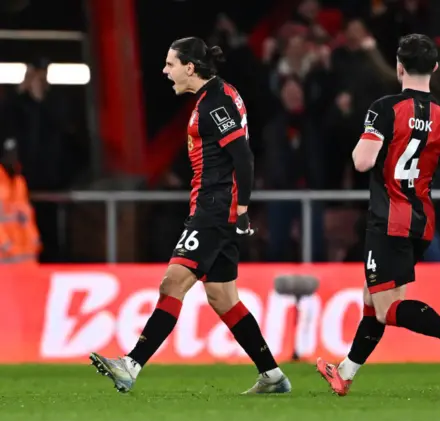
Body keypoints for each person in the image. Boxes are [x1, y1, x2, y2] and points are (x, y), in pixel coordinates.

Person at [89, 37, 291, 395]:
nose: (165, 71)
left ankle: (131, 364)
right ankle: (272, 376)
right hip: (216, 206)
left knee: (173, 282)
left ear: (190, 68)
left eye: (170, 64)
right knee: (222, 297)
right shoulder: (220, 94)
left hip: (214, 208)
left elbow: (243, 157)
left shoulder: (214, 103)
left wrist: (241, 210)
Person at [316, 34, 440, 397]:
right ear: (436, 68)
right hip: (422, 222)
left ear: (398, 66)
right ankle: (345, 372)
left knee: (385, 307)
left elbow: (362, 162)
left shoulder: (384, 108)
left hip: (388, 218)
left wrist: (365, 141)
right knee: (372, 297)